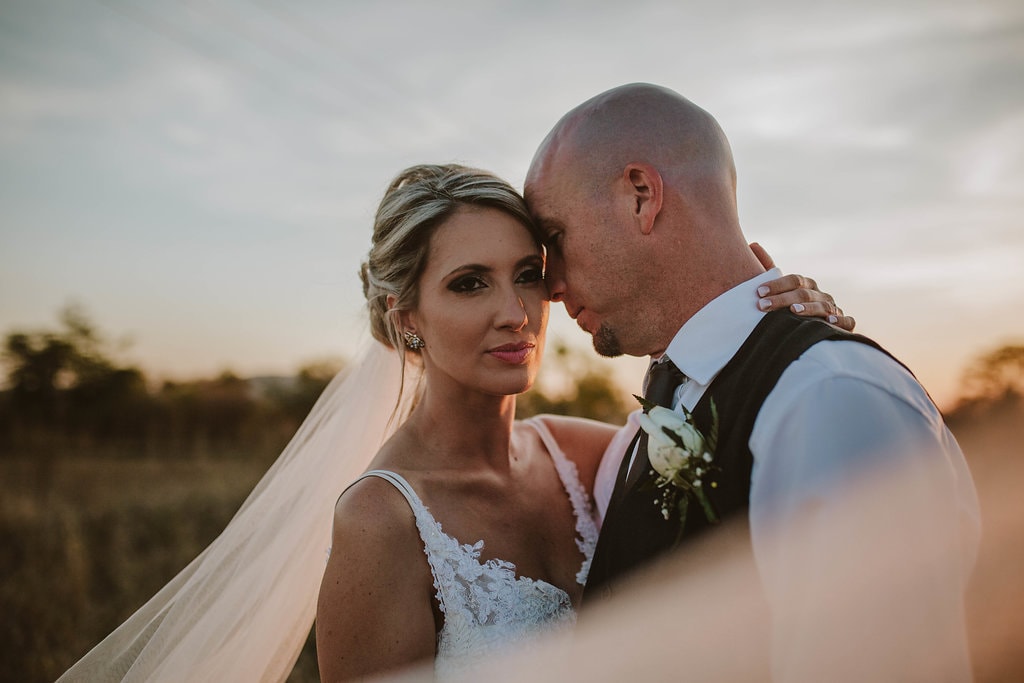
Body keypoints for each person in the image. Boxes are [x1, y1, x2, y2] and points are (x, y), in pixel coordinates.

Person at [54, 164, 846, 683]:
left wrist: (787, 326)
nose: (516, 314)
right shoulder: (380, 519)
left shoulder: (584, 453)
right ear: (406, 318)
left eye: (528, 276)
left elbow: (745, 472)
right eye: (470, 283)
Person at [523, 83, 981, 681]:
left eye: (554, 239)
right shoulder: (659, 412)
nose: (550, 285)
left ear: (640, 196)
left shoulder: (829, 399)